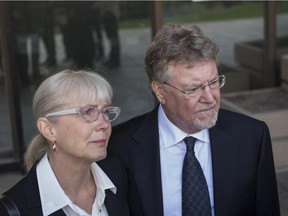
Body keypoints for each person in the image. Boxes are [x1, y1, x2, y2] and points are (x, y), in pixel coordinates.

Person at [107, 24, 280, 216]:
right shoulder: (118, 146)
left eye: (213, 82)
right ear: (160, 91)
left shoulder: (252, 137)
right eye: (193, 89)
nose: (209, 97)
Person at [0, 70, 130, 215]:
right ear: (48, 129)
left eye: (105, 111)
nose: (104, 124)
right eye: (87, 112)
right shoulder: (12, 209)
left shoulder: (116, 173)